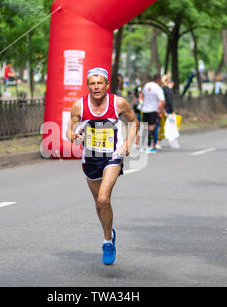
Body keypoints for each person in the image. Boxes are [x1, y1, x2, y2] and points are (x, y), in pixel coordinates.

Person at [67, 67, 138, 265]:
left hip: (112, 157)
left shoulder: (119, 103)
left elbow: (133, 122)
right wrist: (73, 136)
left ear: (107, 85)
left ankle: (107, 242)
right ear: (88, 85)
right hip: (90, 159)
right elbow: (69, 130)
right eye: (92, 83)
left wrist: (127, 143)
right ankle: (110, 233)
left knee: (104, 198)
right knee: (99, 204)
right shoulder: (79, 106)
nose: (96, 87)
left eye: (100, 83)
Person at [140, 74, 165, 153]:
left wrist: (143, 103)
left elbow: (142, 95)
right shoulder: (158, 88)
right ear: (159, 79)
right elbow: (162, 101)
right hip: (153, 110)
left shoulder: (147, 85)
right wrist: (159, 110)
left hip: (145, 109)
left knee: (145, 128)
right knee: (151, 128)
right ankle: (149, 146)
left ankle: (142, 146)